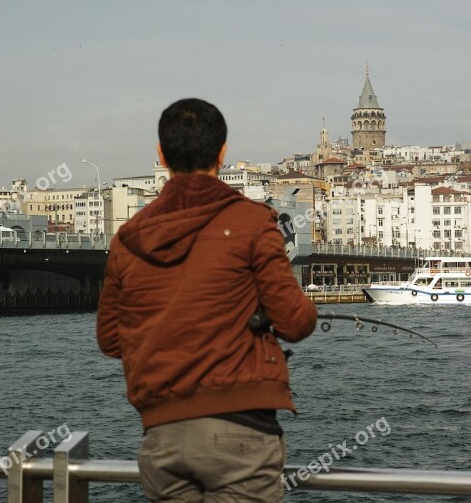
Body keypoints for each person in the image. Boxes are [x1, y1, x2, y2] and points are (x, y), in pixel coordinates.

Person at [97, 98, 318, 502]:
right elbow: (295, 322)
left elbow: (111, 340)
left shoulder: (127, 238)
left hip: (162, 433)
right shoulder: (253, 221)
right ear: (222, 153)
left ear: (161, 155)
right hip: (242, 430)